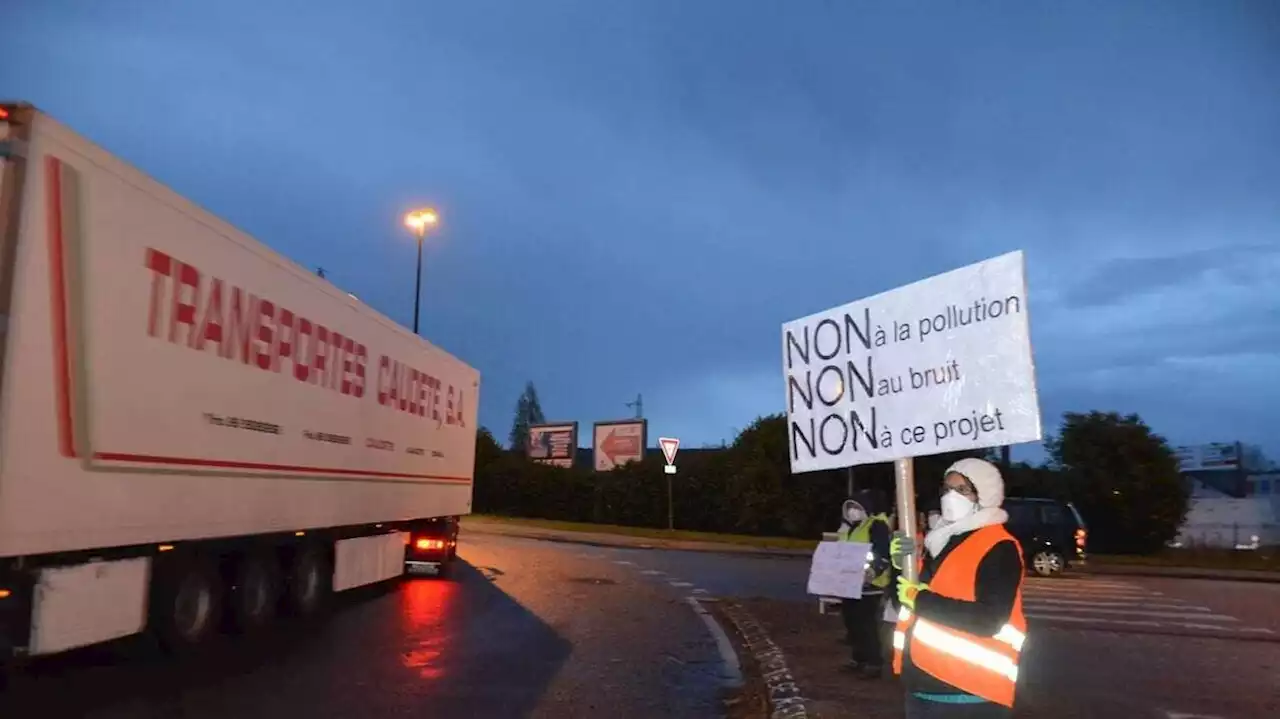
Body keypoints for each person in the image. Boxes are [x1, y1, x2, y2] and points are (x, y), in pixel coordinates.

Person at [889, 458, 1027, 718]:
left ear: (984, 495)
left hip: (969, 693)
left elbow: (988, 619)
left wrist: (920, 599)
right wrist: (899, 568)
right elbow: (903, 605)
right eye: (947, 489)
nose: (951, 496)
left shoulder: (999, 546)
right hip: (923, 685)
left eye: (962, 489)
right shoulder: (941, 541)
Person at [836, 489, 892, 679]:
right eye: (849, 507)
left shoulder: (876, 526)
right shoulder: (851, 528)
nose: (852, 510)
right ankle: (858, 659)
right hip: (850, 584)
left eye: (856, 507)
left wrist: (873, 571)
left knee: (867, 625)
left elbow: (883, 552)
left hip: (870, 585)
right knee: (852, 623)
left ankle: (874, 662)